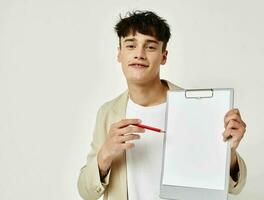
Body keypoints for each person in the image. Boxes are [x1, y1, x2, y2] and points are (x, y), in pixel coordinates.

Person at [77, 10, 247, 200]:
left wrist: (228, 153)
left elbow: (235, 187)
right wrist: (105, 155)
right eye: (131, 45)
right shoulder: (108, 113)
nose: (139, 54)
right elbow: (86, 192)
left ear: (163, 56)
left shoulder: (197, 108)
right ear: (119, 54)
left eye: (150, 47)